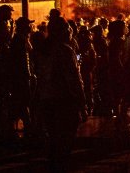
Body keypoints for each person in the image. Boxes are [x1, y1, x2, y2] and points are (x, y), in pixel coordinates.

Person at [35, 17, 84, 171]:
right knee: (65, 136)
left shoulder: (43, 49)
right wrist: (81, 101)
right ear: (63, 31)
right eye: (68, 29)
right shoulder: (64, 50)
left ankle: (53, 164)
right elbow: (73, 78)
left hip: (46, 97)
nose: (71, 32)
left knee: (53, 136)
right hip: (64, 99)